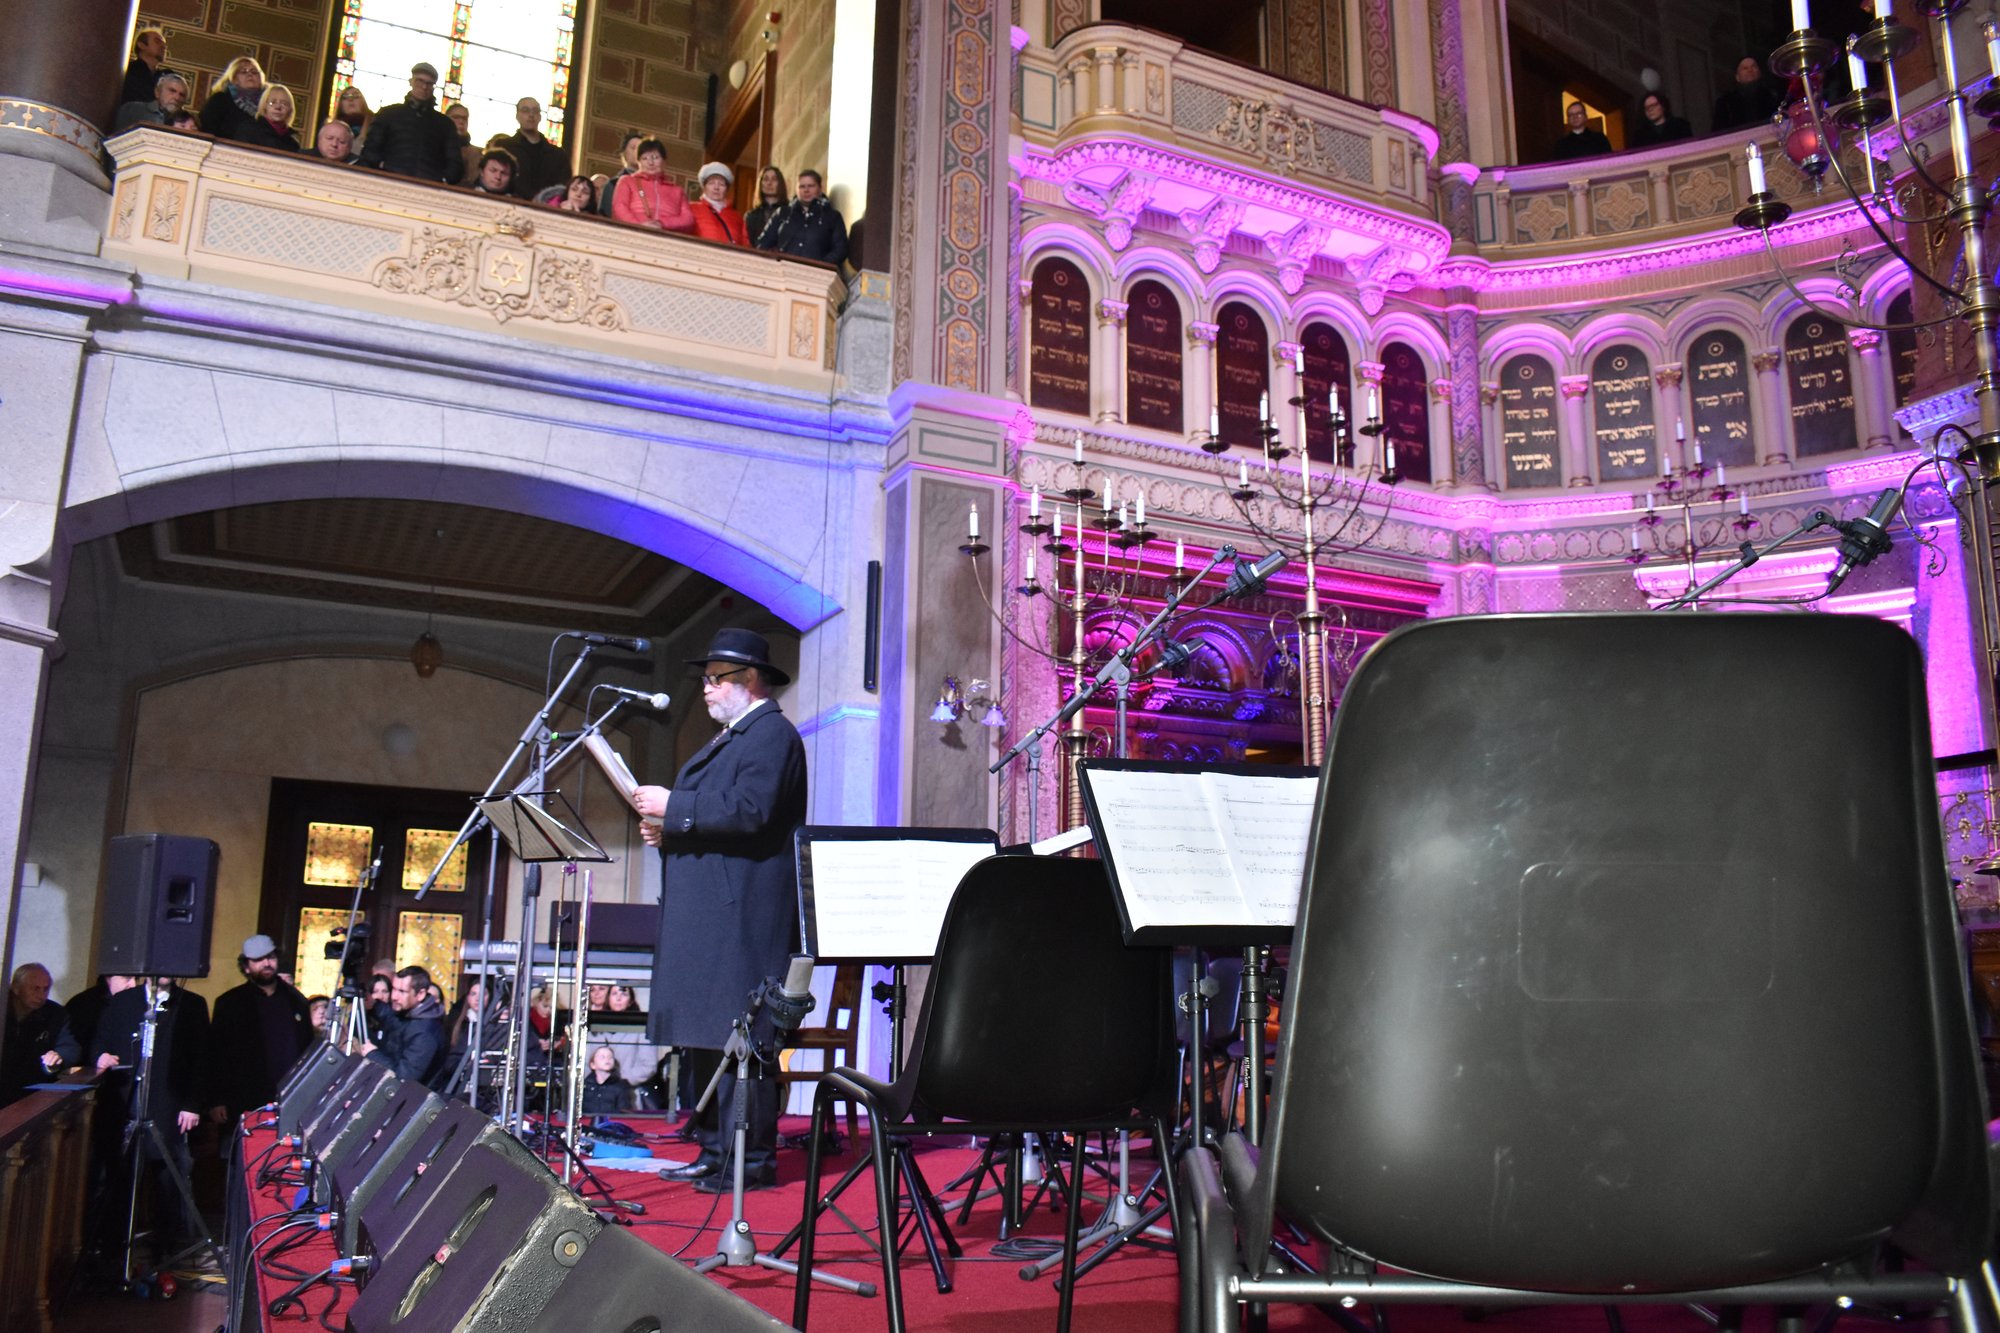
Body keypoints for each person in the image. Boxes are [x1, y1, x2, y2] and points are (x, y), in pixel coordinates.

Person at [633, 627, 806, 1193]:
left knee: (743, 1039)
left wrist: (674, 807)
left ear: (748, 680)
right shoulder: (737, 736)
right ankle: (714, 1150)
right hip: (716, 915)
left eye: (714, 679)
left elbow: (752, 811)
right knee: (710, 1032)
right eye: (705, 679)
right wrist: (672, 832)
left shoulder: (771, 734)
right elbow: (723, 816)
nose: (704, 689)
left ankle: (749, 1161)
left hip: (744, 918)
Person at [90, 976, 210, 1250]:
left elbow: (201, 1057)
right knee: (119, 1176)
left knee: (167, 1178)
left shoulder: (191, 1004)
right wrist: (101, 1057)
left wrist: (192, 1104)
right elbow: (100, 1040)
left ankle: (165, 1247)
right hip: (125, 1101)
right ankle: (112, 1247)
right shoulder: (124, 1001)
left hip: (170, 1104)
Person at [205, 934, 315, 1125]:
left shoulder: (296, 1000)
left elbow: (307, 1048)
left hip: (289, 1096)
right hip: (243, 1098)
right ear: (246, 966)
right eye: (258, 960)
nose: (267, 963)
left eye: (270, 957)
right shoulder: (230, 1003)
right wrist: (216, 1100)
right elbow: (216, 1056)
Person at [357, 62, 464, 184]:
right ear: (411, 82)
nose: (424, 87)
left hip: (429, 188)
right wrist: (383, 169)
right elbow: (370, 151)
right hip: (388, 182)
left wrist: (442, 180)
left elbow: (455, 163)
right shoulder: (388, 114)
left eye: (429, 84)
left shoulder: (445, 125)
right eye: (420, 81)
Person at [2, 963, 79, 1105]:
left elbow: (70, 1049)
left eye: (45, 989)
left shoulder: (55, 1014)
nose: (41, 995)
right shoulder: (3, 1008)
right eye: (35, 989)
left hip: (31, 1089)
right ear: (16, 988)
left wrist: (57, 1058)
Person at [360, 965, 446, 1085]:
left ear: (420, 994)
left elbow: (404, 1077)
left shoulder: (425, 1033)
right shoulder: (408, 1014)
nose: (394, 997)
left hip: (414, 1100)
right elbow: (391, 1019)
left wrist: (373, 1055)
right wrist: (374, 1004)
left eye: (402, 991)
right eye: (394, 989)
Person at [766, 169, 849, 266]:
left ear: (820, 188)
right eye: (802, 186)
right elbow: (763, 243)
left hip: (818, 275)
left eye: (811, 186)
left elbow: (841, 250)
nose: (806, 190)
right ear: (796, 189)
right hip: (783, 271)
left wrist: (821, 265)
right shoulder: (782, 213)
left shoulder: (832, 217)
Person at [496, 96, 571, 201]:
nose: (531, 115)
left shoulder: (557, 154)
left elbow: (562, 187)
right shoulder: (504, 147)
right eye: (525, 110)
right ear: (517, 116)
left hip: (546, 208)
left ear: (540, 117)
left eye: (535, 111)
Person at [612, 138, 694, 233]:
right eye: (644, 158)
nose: (650, 163)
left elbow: (688, 219)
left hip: (666, 239)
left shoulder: (677, 190)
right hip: (633, 234)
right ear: (638, 162)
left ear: (664, 161)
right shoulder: (627, 181)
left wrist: (661, 223)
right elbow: (619, 208)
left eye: (655, 157)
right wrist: (639, 226)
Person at [198, 56, 265, 142]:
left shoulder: (267, 106)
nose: (250, 74)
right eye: (243, 72)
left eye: (254, 72)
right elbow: (207, 128)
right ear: (234, 79)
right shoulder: (220, 99)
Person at [1713, 55, 1783, 132]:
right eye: (1745, 68)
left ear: (1759, 72)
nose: (1750, 70)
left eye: (1753, 67)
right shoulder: (1725, 102)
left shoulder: (1772, 96)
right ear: (1737, 77)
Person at [690, 161, 749, 245]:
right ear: (704, 187)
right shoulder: (692, 208)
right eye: (711, 183)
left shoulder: (737, 217)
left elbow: (745, 244)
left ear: (727, 189)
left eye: (721, 184)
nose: (716, 187)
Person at [114, 71, 189, 132]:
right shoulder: (132, 109)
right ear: (157, 92)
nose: (177, 97)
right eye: (172, 91)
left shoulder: (187, 124)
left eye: (182, 95)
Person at [239, 84, 302, 152]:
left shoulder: (293, 144)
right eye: (272, 102)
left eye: (284, 104)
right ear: (265, 106)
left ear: (290, 110)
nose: (278, 107)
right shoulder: (249, 129)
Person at [597, 131, 644, 218]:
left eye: (641, 148)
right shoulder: (613, 184)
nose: (638, 151)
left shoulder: (654, 185)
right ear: (624, 153)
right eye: (633, 148)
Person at [121, 28, 171, 108]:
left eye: (164, 44)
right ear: (141, 45)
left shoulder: (166, 77)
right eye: (157, 42)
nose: (164, 46)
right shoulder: (127, 71)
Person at [745, 166, 788, 248]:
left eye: (774, 179)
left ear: (780, 183)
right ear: (760, 184)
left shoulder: (790, 212)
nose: (769, 183)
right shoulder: (751, 216)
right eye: (765, 179)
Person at [580, 1046, 631, 1115]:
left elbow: (624, 1112)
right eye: (602, 1057)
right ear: (592, 1065)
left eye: (610, 1057)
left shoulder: (621, 1086)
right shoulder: (583, 1086)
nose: (607, 1059)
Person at [332, 86, 373, 150]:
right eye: (345, 97)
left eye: (356, 96)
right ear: (340, 104)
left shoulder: (375, 125)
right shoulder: (330, 128)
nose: (350, 99)